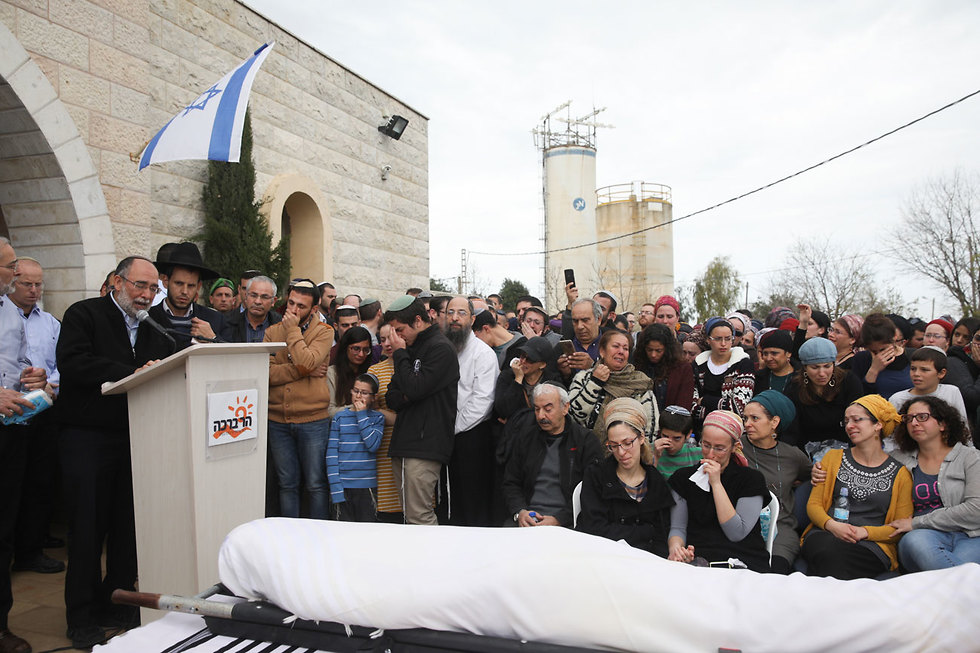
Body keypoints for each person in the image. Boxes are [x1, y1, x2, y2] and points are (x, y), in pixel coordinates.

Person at [56, 256, 172, 648]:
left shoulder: (155, 327)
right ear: (116, 282)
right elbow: (73, 363)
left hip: (137, 437)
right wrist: (130, 372)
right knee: (87, 529)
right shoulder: (84, 314)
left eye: (153, 289)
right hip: (86, 438)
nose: (146, 295)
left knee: (127, 528)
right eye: (140, 286)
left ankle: (117, 600)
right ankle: (82, 617)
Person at [1, 238, 51, 653]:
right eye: (9, 267)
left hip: (10, 430)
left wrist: (31, 379)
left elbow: (15, 365)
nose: (15, 275)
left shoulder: (11, 315)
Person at [800, 395, 912, 580]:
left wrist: (864, 532)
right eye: (846, 421)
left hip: (872, 544)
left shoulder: (900, 474)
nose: (849, 426)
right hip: (827, 534)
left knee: (836, 559)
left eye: (857, 420)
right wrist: (833, 526)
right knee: (829, 550)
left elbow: (898, 527)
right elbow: (814, 505)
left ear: (878, 425)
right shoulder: (832, 458)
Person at [7, 258, 64, 576]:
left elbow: (61, 363)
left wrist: (49, 384)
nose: (33, 290)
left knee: (39, 483)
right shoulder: (4, 316)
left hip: (41, 411)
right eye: (26, 283)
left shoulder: (50, 323)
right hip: (8, 413)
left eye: (38, 284)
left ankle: (31, 549)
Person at [384, 297, 460, 525]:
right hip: (405, 440)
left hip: (425, 445)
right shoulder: (410, 348)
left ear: (418, 320)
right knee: (409, 515)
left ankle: (434, 561)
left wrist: (400, 357)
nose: (397, 338)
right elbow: (393, 396)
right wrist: (411, 389)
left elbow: (414, 389)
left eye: (400, 330)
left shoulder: (441, 348)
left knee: (420, 516)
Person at [667, 410, 771, 572]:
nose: (710, 454)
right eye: (706, 445)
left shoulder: (751, 480)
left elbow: (736, 532)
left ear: (734, 447)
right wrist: (676, 550)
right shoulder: (683, 479)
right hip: (697, 559)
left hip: (742, 559)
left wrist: (716, 484)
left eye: (719, 448)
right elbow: (678, 528)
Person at [264, 280, 333, 520]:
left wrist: (293, 331)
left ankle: (319, 537)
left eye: (300, 306)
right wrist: (302, 370)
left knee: (315, 484)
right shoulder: (272, 332)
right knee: (287, 484)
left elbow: (307, 360)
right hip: (277, 420)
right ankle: (289, 538)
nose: (292, 310)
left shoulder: (325, 332)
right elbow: (267, 374)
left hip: (313, 420)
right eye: (290, 303)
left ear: (314, 309)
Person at [887, 396, 980, 571]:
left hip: (971, 535)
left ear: (942, 424)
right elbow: (866, 464)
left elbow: (976, 509)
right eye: (909, 418)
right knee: (916, 542)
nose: (914, 423)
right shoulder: (897, 459)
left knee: (958, 569)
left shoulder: (971, 458)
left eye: (922, 417)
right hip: (924, 535)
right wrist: (821, 471)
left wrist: (917, 522)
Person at [577, 397, 675, 555]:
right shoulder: (596, 475)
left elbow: (662, 535)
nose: (621, 452)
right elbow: (594, 529)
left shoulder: (655, 481)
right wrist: (645, 532)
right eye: (613, 445)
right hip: (602, 558)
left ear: (642, 438)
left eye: (627, 442)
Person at [503, 383, 602, 528]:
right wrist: (520, 512)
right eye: (536, 409)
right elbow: (511, 482)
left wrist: (560, 519)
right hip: (527, 519)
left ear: (565, 408)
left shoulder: (585, 441)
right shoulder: (525, 437)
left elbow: (592, 490)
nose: (541, 416)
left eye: (548, 409)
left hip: (569, 522)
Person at [741, 391, 812, 573]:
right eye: (745, 418)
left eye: (754, 418)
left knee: (773, 575)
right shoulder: (736, 448)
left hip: (781, 529)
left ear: (774, 422)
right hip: (742, 525)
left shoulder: (793, 455)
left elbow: (811, 476)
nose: (747, 424)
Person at [444, 296, 499, 526]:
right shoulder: (443, 348)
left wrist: (452, 428)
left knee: (472, 503)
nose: (455, 318)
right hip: (446, 435)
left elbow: (482, 401)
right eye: (450, 313)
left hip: (472, 437)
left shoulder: (483, 354)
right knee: (449, 501)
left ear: (472, 318)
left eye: (461, 313)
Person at [568, 329, 658, 441]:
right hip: (585, 451)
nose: (621, 351)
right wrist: (595, 383)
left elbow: (650, 429)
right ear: (602, 351)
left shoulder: (639, 383)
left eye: (625, 348)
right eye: (616, 346)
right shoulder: (584, 378)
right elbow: (572, 416)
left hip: (627, 454)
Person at [782, 336, 863, 453]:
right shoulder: (794, 387)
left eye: (827, 366)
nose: (822, 373)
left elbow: (858, 420)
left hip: (846, 448)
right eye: (815, 368)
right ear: (804, 368)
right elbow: (791, 430)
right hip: (806, 450)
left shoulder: (849, 382)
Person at [327, 372, 385, 522]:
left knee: (367, 532)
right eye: (356, 391)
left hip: (367, 487)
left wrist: (361, 416)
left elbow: (372, 445)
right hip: (343, 485)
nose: (358, 396)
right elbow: (332, 455)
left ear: (373, 397)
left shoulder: (377, 418)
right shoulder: (339, 418)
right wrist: (336, 488)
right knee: (343, 531)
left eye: (364, 393)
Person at [147, 242, 224, 350]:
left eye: (191, 286)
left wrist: (213, 339)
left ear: (198, 286)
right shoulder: (148, 319)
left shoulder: (214, 319)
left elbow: (232, 359)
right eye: (179, 283)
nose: (184, 291)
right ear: (165, 281)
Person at [692, 317, 755, 427]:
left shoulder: (743, 364)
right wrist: (723, 407)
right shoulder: (698, 365)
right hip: (701, 429)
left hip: (732, 429)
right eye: (717, 339)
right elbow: (691, 407)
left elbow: (739, 408)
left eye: (728, 338)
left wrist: (705, 400)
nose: (723, 343)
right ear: (708, 339)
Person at [367, 325, 402, 522]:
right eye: (382, 339)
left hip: (412, 444)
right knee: (387, 509)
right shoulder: (375, 370)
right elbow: (372, 410)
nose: (387, 344)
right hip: (383, 445)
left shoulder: (417, 365)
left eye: (391, 338)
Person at [888, 346, 969, 428]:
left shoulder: (951, 391)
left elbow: (962, 426)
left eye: (924, 370)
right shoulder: (897, 399)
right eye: (913, 369)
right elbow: (890, 437)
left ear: (941, 373)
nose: (916, 374)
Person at [633, 323, 694, 411]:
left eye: (658, 351)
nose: (653, 355)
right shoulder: (637, 365)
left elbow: (683, 405)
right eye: (649, 350)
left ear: (667, 349)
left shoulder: (682, 369)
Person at [851, 313, 911, 398]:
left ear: (895, 337)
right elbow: (858, 396)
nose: (879, 355)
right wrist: (874, 370)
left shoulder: (911, 356)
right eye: (874, 351)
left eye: (883, 349)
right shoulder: (861, 360)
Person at [327, 326, 375, 418]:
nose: (361, 354)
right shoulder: (332, 373)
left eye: (366, 350)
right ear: (346, 348)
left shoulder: (371, 373)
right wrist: (358, 408)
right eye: (356, 349)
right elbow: (330, 411)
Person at [221, 276, 281, 343]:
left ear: (273, 301)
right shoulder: (228, 323)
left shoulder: (281, 326)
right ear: (246, 297)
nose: (257, 302)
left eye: (264, 297)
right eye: (253, 295)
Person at [556, 298, 603, 381]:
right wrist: (565, 375)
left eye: (585, 320)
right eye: (575, 321)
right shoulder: (560, 348)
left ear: (598, 319)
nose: (579, 326)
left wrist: (593, 367)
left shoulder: (613, 345)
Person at [652, 405, 701, 479]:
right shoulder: (647, 451)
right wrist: (655, 458)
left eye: (677, 438)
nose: (670, 443)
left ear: (688, 434)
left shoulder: (698, 455)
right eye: (665, 436)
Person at [753, 329, 796, 394]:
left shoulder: (801, 379)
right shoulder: (757, 378)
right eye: (765, 353)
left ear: (788, 353)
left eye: (774, 353)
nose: (768, 358)